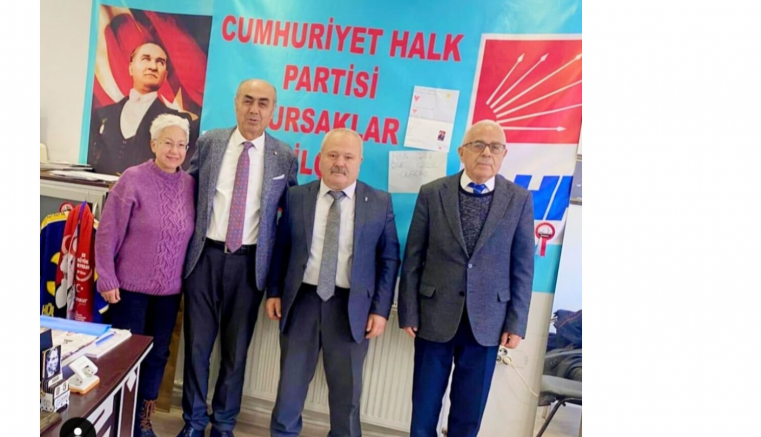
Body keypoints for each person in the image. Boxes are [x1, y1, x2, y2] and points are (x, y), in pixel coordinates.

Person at [399, 120, 535, 437]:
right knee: (424, 407)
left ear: (503, 154)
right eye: (478, 145)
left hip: (488, 322)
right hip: (434, 316)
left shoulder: (519, 200)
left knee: (469, 413)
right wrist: (409, 311)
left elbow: (523, 266)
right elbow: (413, 257)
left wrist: (516, 322)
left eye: (495, 147)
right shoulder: (433, 193)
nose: (486, 152)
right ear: (462, 152)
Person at [178, 79, 298, 437]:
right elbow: (185, 192)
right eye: (248, 100)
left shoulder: (283, 156)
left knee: (235, 352)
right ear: (236, 103)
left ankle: (223, 425)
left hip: (249, 266)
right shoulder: (211, 142)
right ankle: (193, 423)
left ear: (273, 110)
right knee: (196, 347)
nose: (254, 110)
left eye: (263, 103)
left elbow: (290, 219)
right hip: (204, 259)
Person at [266, 128, 400, 437]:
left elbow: (389, 259)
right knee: (289, 389)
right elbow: (281, 247)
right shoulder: (297, 197)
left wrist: (380, 310)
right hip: (302, 302)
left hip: (352, 309)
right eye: (333, 155)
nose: (340, 162)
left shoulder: (379, 202)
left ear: (360, 161)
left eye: (348, 157)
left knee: (346, 394)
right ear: (320, 158)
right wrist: (274, 291)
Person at [94, 114, 195, 437]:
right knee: (124, 355)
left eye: (181, 145)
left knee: (157, 356)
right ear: (153, 144)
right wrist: (106, 276)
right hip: (129, 290)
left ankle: (141, 421)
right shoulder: (133, 179)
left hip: (169, 293)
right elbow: (108, 232)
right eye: (168, 143)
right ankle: (115, 417)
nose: (174, 150)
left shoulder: (190, 185)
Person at [88, 42, 197, 176]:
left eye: (160, 62)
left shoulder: (177, 122)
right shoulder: (103, 115)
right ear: (131, 68)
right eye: (146, 59)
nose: (153, 67)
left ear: (165, 75)